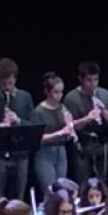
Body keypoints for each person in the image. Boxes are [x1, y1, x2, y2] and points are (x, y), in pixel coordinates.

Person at [0, 57, 37, 207]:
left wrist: (19, 122)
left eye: (10, 83)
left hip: (20, 154)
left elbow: (33, 124)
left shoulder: (25, 97)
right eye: (4, 84)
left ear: (15, 79)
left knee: (18, 199)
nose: (7, 88)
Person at [62, 61, 108, 184]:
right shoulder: (71, 98)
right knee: (84, 183)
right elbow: (69, 126)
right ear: (80, 79)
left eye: (96, 80)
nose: (93, 84)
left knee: (102, 183)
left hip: (102, 145)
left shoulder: (105, 94)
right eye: (89, 80)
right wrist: (87, 118)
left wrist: (104, 111)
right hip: (82, 147)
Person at [31, 72, 78, 200]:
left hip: (61, 152)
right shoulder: (38, 111)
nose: (59, 96)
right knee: (50, 193)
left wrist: (70, 129)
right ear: (47, 91)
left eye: (61, 92)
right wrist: (60, 133)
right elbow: (37, 139)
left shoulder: (62, 108)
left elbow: (68, 134)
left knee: (62, 191)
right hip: (45, 154)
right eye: (56, 92)